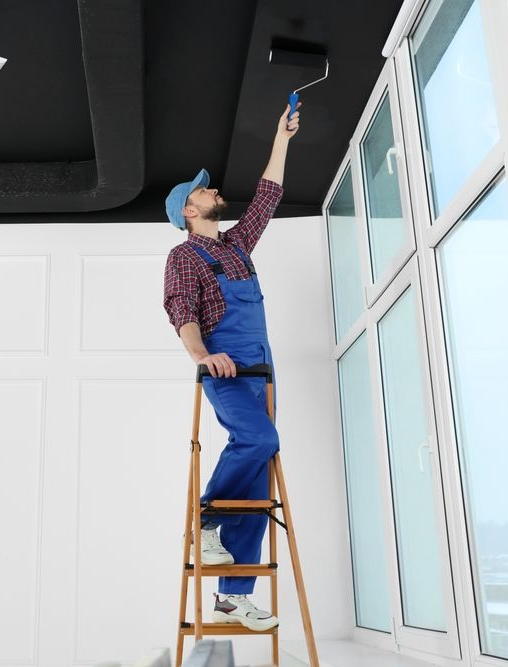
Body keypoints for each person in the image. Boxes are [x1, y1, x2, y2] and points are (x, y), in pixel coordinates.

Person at [162, 103, 300, 632]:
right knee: (259, 439)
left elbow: (268, 195)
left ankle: (232, 597)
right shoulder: (184, 257)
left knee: (257, 476)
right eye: (203, 190)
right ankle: (204, 521)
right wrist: (202, 356)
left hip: (262, 369)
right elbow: (182, 311)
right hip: (225, 369)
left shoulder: (237, 246)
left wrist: (282, 138)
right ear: (188, 211)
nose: (213, 189)